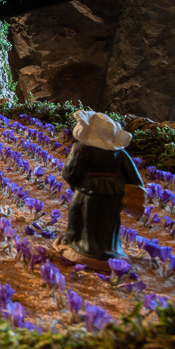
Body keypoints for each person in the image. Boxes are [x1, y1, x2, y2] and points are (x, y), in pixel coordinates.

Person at [55, 111, 144, 271]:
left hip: (86, 193)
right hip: (112, 196)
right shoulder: (119, 152)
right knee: (108, 223)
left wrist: (77, 185)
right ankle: (109, 250)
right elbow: (134, 177)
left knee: (81, 219)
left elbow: (70, 172)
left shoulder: (82, 149)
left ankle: (81, 247)